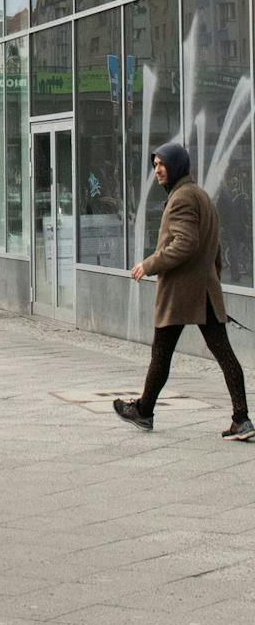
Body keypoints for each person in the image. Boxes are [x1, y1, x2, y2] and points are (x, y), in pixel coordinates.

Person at [115, 142, 253, 438]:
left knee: (162, 354)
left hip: (181, 293)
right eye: (155, 166)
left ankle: (144, 411)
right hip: (202, 291)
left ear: (177, 164)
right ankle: (240, 419)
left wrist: (150, 264)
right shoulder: (201, 195)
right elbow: (214, 248)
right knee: (222, 355)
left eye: (162, 164)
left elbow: (185, 243)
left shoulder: (182, 198)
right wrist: (212, 278)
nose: (158, 170)